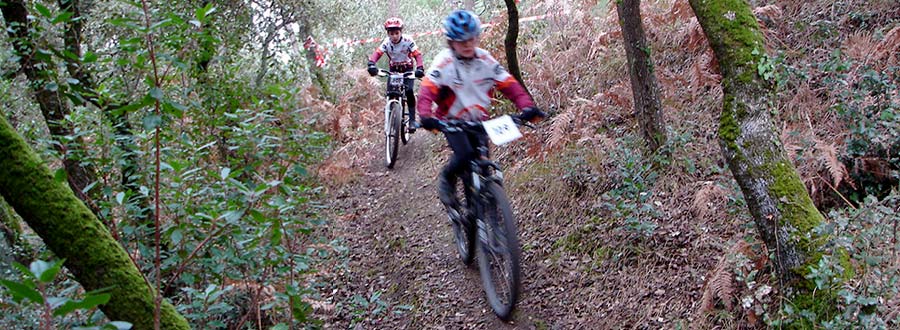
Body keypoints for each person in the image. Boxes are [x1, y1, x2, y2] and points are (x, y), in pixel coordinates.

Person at [417, 10, 545, 211]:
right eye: (461, 41)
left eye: (472, 39)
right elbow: (426, 92)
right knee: (465, 154)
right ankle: (447, 177)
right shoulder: (444, 62)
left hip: (480, 122)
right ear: (451, 42)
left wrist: (527, 107)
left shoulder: (485, 59)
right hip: (451, 121)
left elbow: (510, 86)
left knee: (484, 162)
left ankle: (489, 215)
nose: (468, 44)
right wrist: (426, 116)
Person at [367, 17, 425, 132]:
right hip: (394, 69)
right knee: (390, 92)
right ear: (388, 34)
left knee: (408, 91)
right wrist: (371, 64)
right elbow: (377, 53)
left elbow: (417, 55)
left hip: (407, 68)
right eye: (391, 33)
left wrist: (420, 68)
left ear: (401, 32)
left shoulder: (408, 41)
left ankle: (412, 120)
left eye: (397, 33)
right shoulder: (386, 43)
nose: (394, 36)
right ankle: (390, 115)